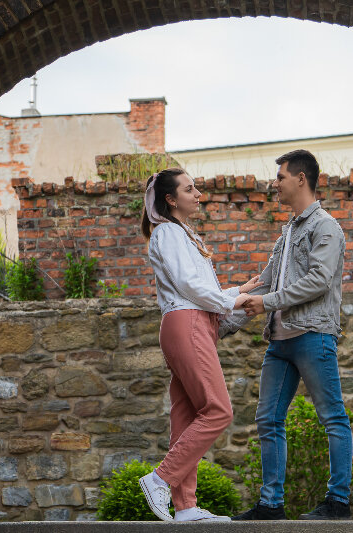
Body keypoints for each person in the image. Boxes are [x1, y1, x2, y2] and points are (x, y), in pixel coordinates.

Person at [224, 149, 353, 521]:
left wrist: (266, 301)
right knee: (268, 419)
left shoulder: (325, 226)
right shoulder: (289, 231)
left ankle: (338, 503)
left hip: (313, 335)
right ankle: (271, 504)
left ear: (300, 178)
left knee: (333, 417)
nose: (274, 183)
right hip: (279, 342)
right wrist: (222, 318)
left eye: (280, 177)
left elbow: (319, 281)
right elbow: (265, 282)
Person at [138, 167, 262, 522]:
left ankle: (185, 507)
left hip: (189, 324)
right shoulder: (168, 233)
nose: (198, 194)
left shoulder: (181, 233)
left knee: (187, 416)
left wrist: (238, 291)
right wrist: (231, 300)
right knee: (218, 410)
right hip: (187, 324)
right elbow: (189, 286)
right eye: (189, 189)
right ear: (171, 199)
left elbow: (195, 288)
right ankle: (160, 479)